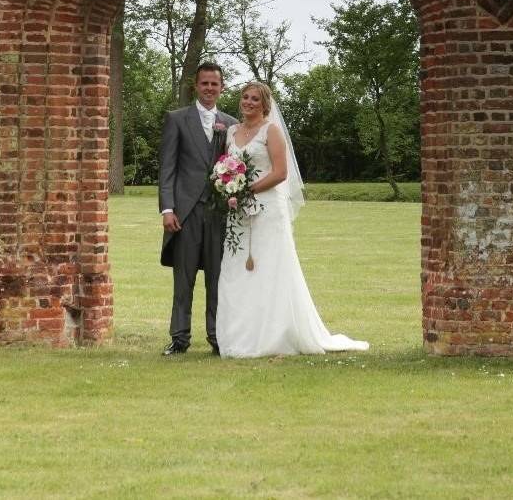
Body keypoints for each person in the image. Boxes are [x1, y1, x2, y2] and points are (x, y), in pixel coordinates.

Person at [216, 82, 369, 358]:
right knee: (237, 270)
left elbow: (280, 173)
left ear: (265, 105)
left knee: (270, 270)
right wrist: (229, 189)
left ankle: (273, 336)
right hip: (238, 212)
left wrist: (246, 190)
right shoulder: (231, 132)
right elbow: (227, 167)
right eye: (245, 97)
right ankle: (239, 336)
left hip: (267, 210)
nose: (248, 102)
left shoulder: (271, 131)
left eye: (254, 99)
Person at [158, 63, 238, 356]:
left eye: (214, 84)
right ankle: (179, 339)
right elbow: (167, 168)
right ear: (196, 85)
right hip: (185, 212)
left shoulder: (231, 123)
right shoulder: (177, 119)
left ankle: (218, 338)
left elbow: (235, 168)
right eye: (204, 83)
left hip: (219, 212)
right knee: (184, 279)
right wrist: (167, 209)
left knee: (218, 279)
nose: (209, 89)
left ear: (222, 87)